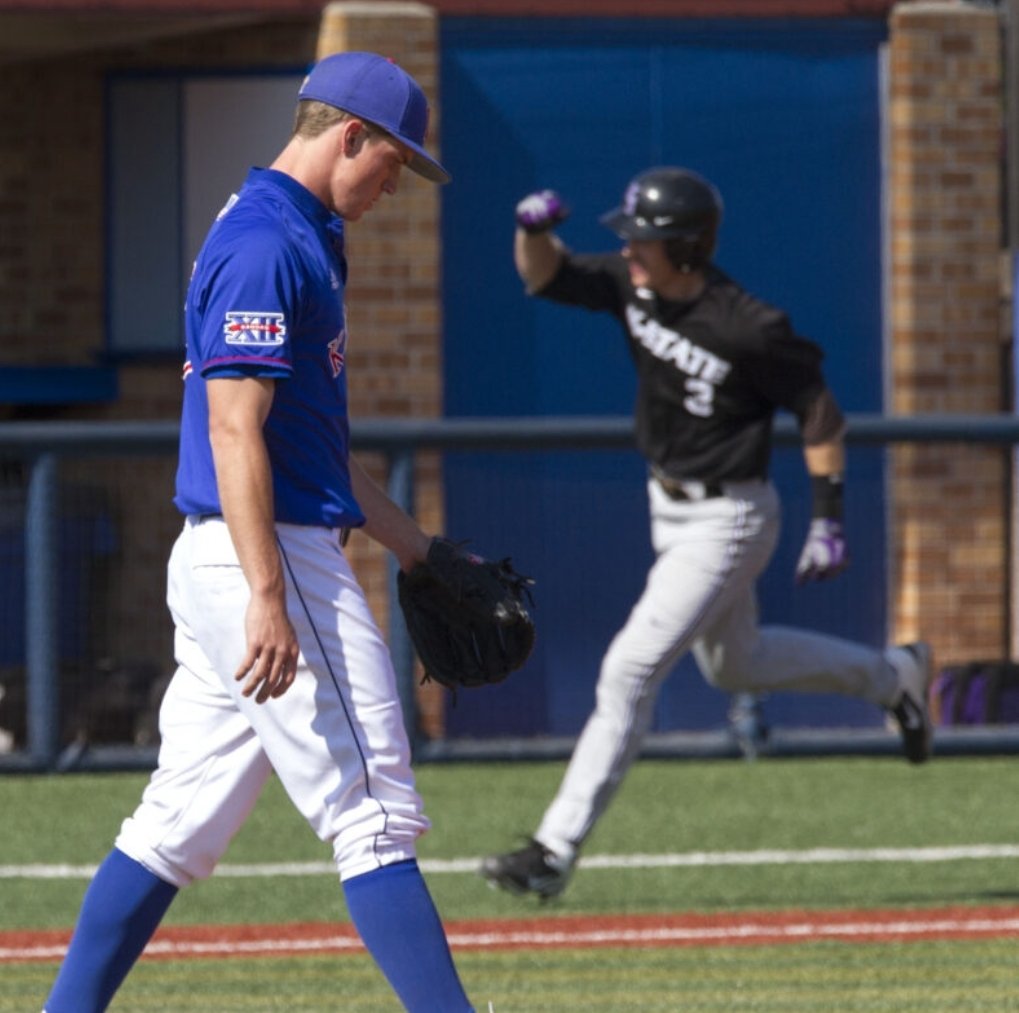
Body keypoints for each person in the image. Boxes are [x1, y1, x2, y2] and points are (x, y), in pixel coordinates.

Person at [43, 52, 477, 1012]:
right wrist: (270, 593)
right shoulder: (268, 243)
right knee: (372, 812)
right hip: (264, 553)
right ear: (348, 134)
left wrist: (423, 552)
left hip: (238, 550)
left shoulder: (302, 236)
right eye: (393, 160)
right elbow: (232, 426)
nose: (394, 183)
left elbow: (311, 446)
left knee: (175, 826)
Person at [480, 167, 933, 902]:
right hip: (671, 508)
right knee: (735, 664)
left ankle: (552, 848)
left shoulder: (747, 325)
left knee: (628, 669)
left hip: (729, 517)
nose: (628, 250)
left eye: (643, 240)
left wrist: (828, 514)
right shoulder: (635, 287)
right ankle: (893, 677)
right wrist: (531, 231)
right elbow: (546, 277)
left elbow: (817, 412)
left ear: (686, 247)